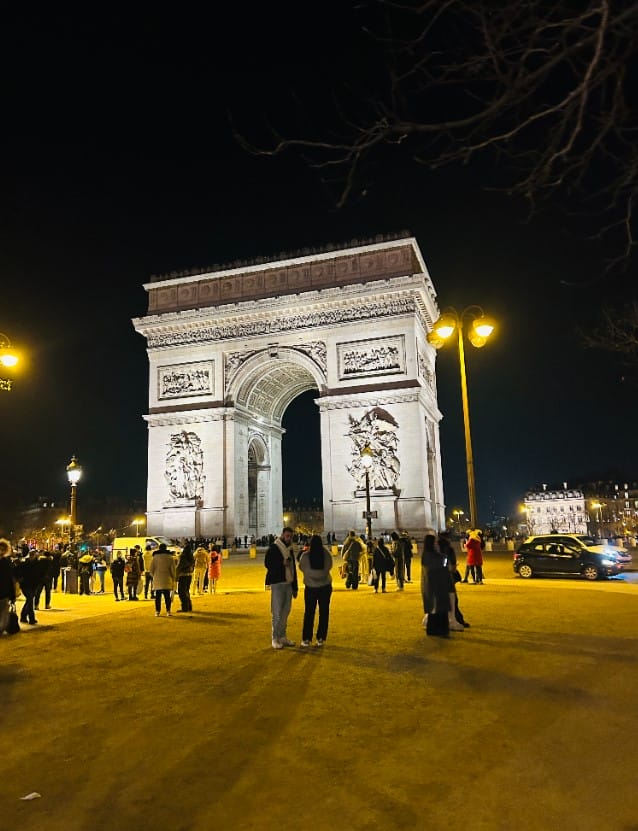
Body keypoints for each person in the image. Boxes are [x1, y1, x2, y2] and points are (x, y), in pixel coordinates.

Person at [264, 526, 298, 649]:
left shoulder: (290, 549)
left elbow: (293, 568)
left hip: (288, 583)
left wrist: (295, 587)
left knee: (285, 612)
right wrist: (281, 564)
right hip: (277, 583)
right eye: (287, 536)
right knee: (277, 612)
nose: (289, 538)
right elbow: (267, 563)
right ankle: (275, 638)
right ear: (283, 535)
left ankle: (282, 636)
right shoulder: (274, 547)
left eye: (291, 536)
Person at [298, 533, 333, 647]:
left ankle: (306, 638)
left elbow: (301, 568)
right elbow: (330, 566)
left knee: (309, 612)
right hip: (325, 586)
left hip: (311, 587)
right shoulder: (326, 555)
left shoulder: (305, 556)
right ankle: (321, 638)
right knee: (324, 612)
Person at [421, 531, 452, 637]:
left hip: (432, 584)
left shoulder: (426, 554)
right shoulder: (434, 556)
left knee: (435, 609)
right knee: (439, 607)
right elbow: (441, 564)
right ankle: (440, 630)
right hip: (437, 585)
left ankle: (434, 629)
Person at [437, 531, 466, 631]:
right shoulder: (449, 549)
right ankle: (457, 620)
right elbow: (452, 565)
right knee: (453, 600)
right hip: (448, 577)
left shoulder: (436, 549)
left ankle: (447, 621)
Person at [150, 542, 176, 616]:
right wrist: (173, 578)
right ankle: (168, 611)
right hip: (167, 578)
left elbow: (151, 569)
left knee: (158, 597)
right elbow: (173, 570)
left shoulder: (155, 557)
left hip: (157, 579)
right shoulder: (170, 557)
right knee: (167, 596)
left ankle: (157, 611)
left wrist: (154, 576)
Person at [15, 548, 41, 625]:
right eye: (31, 555)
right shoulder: (24, 564)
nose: (32, 556)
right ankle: (31, 618)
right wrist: (20, 579)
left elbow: (38, 575)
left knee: (29, 601)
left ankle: (23, 616)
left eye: (34, 555)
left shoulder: (37, 564)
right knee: (30, 600)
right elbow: (17, 571)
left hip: (33, 585)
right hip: (26, 585)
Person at [0, 538, 16, 633]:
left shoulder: (7, 562)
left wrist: (12, 595)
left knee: (3, 613)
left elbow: (10, 579)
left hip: (4, 592)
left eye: (3, 549)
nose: (1, 551)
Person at [176, 541, 195, 612]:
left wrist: (175, 574)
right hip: (189, 575)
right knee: (186, 591)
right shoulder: (191, 556)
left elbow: (179, 566)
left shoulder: (183, 556)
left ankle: (185, 607)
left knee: (181, 592)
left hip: (183, 575)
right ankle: (189, 606)